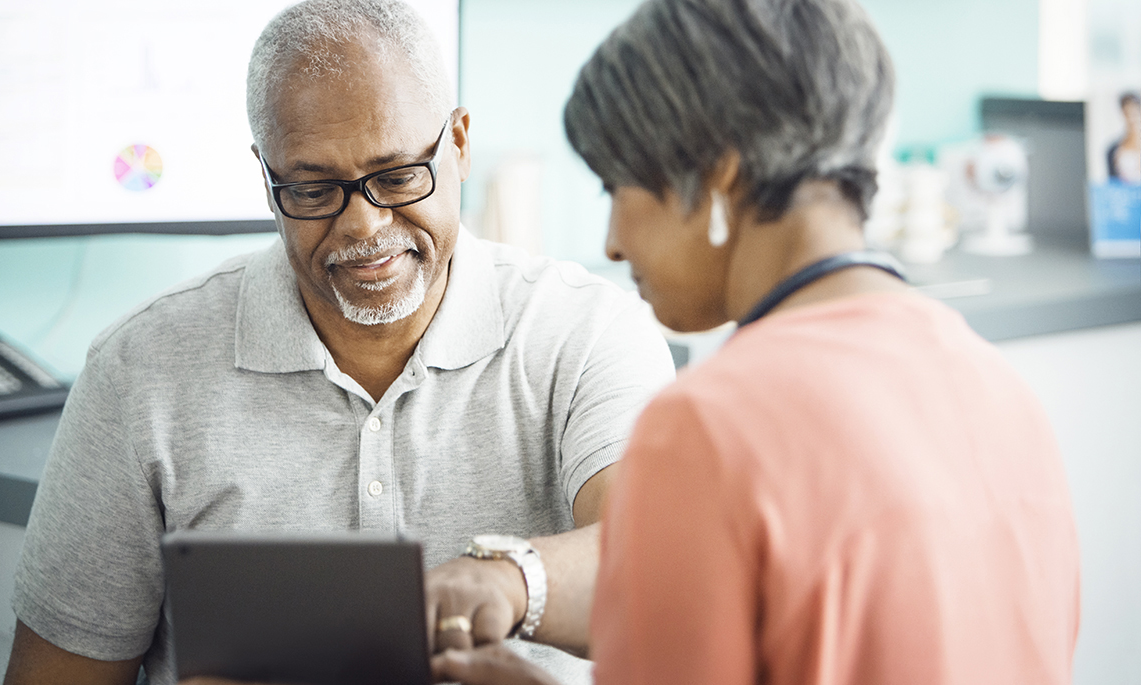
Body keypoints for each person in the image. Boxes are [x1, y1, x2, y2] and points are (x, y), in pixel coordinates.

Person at [2, 1, 675, 683]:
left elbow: (660, 569)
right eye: (315, 188)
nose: (364, 223)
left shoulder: (587, 332)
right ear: (267, 181)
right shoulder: (137, 371)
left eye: (397, 175)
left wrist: (511, 581)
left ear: (461, 143)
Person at [433, 0, 1081, 683]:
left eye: (615, 188)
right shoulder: (1002, 391)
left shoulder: (705, 428)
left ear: (720, 173)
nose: (613, 242)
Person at [1107, 92, 1141, 184]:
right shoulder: (1114, 150)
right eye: (1127, 113)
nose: (1132, 118)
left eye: (1135, 112)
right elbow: (1112, 182)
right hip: (1126, 195)